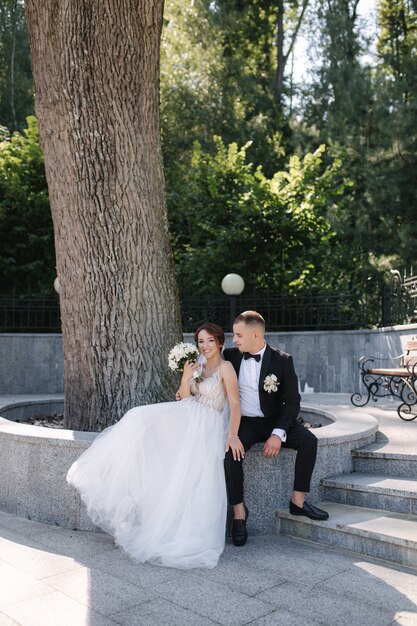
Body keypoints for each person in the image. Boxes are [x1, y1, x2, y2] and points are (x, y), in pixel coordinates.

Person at [67, 323, 244, 569]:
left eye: (210, 341)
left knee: (186, 471)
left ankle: (182, 529)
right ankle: (118, 487)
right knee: (138, 417)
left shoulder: (226, 368)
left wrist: (232, 435)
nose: (205, 346)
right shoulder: (197, 366)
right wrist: (185, 376)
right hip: (188, 413)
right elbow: (183, 396)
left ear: (220, 342)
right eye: (201, 341)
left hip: (207, 424)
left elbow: (235, 404)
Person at [223, 310, 329, 547]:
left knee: (309, 441)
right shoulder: (230, 356)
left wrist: (277, 434)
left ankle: (298, 502)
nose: (235, 340)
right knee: (230, 454)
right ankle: (239, 513)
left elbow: (292, 402)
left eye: (239, 335)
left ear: (256, 335)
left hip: (274, 420)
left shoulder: (282, 360)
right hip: (246, 423)